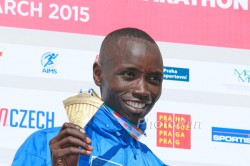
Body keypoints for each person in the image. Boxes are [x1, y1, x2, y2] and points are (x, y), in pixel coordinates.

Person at [12, 27, 167, 166]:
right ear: (98, 74)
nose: (142, 90)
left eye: (154, 79)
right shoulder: (43, 145)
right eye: (129, 74)